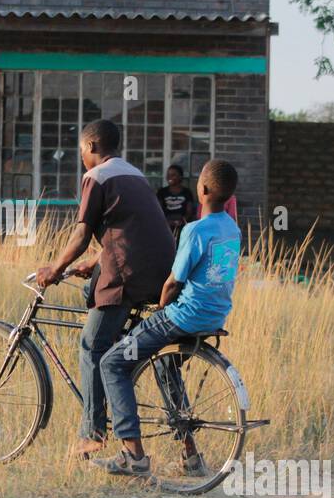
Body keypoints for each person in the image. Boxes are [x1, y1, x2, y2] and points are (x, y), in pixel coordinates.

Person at [34, 119, 175, 459]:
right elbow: (128, 231)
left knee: (92, 345)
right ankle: (186, 442)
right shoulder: (135, 174)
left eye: (81, 149)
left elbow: (81, 235)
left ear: (92, 146)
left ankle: (92, 434)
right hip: (161, 273)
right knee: (137, 347)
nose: (81, 156)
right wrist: (96, 261)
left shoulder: (95, 177)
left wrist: (55, 268)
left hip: (127, 274)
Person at [95, 159, 241, 477]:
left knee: (112, 363)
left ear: (201, 191)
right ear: (229, 195)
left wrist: (161, 308)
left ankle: (133, 455)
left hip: (184, 315)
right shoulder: (233, 229)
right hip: (214, 314)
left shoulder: (195, 229)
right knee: (164, 363)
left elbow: (174, 282)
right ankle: (190, 455)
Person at [157, 164, 197, 242]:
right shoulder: (162, 192)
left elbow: (189, 211)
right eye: (168, 175)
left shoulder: (187, 192)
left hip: (182, 223)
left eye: (173, 175)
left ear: (180, 177)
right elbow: (158, 210)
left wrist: (182, 221)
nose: (169, 177)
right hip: (166, 223)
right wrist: (167, 222)